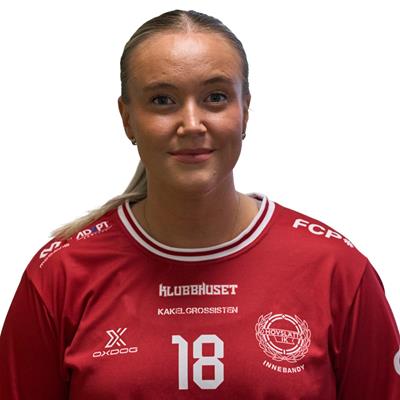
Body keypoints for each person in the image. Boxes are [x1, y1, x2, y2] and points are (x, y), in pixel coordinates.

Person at [0, 8, 399, 399]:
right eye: (162, 100)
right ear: (127, 118)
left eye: (215, 97)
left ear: (245, 110)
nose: (191, 124)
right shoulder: (59, 275)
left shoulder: (336, 270)